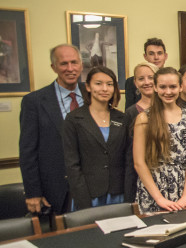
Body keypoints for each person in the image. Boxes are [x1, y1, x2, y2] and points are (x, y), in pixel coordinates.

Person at [20, 44, 87, 214]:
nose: (70, 68)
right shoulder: (34, 102)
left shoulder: (93, 95)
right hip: (55, 191)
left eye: (74, 62)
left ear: (81, 64)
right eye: (64, 63)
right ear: (54, 67)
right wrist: (33, 193)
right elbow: (28, 151)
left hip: (91, 187)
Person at [133, 67, 186, 213]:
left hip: (183, 188)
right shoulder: (144, 118)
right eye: (162, 87)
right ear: (155, 87)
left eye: (173, 87)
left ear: (181, 87)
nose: (168, 92)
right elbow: (139, 163)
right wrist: (159, 198)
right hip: (155, 188)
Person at [62, 66, 127, 211]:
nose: (105, 89)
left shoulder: (122, 118)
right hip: (89, 194)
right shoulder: (74, 119)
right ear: (88, 87)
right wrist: (83, 199)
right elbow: (72, 164)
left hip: (118, 193)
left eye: (109, 84)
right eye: (98, 83)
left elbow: (127, 158)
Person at [124, 62, 158, 203]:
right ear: (135, 83)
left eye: (151, 77)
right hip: (140, 179)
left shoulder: (170, 108)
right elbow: (128, 153)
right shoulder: (131, 113)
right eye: (141, 79)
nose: (146, 82)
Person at [125, 38, 168, 110]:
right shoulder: (131, 82)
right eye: (151, 54)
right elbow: (129, 111)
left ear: (165, 56)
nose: (156, 57)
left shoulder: (173, 79)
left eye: (159, 53)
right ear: (145, 56)